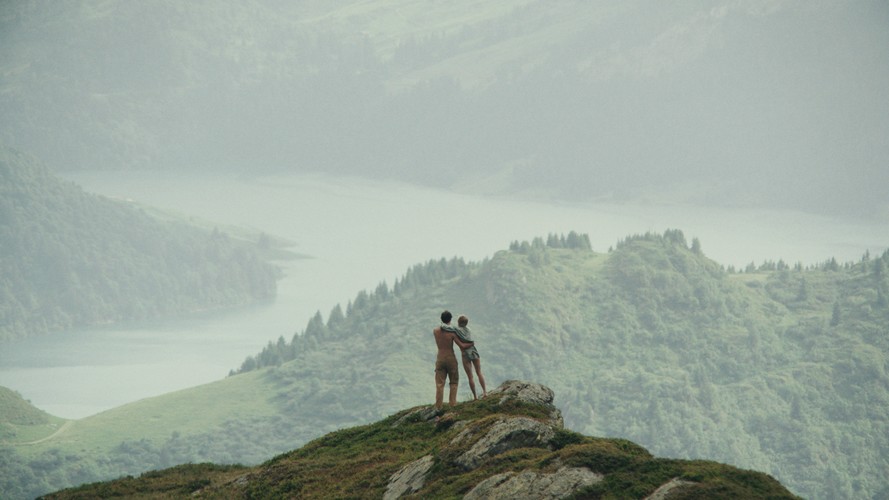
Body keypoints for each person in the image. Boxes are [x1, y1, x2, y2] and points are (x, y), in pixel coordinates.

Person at [433, 310, 473, 409]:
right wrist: (471, 343)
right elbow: (462, 346)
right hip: (451, 358)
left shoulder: (435, 331)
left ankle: (438, 407)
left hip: (440, 358)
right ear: (450, 319)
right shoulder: (452, 333)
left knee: (439, 384)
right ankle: (452, 405)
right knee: (454, 382)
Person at [443, 315, 487, 399]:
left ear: (459, 322)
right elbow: (472, 341)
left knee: (470, 376)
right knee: (479, 372)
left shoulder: (456, 329)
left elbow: (446, 327)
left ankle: (475, 397)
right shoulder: (469, 330)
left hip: (465, 354)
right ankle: (485, 392)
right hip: (474, 351)